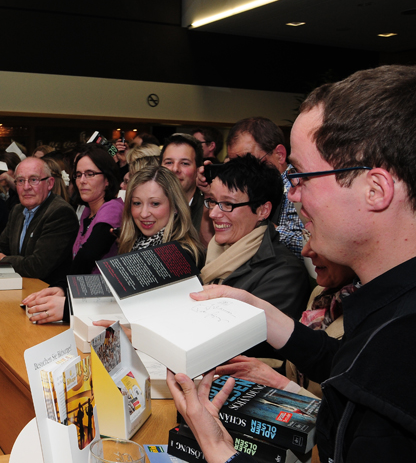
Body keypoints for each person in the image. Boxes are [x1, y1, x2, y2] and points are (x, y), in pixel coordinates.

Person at [169, 65, 416, 463]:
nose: (293, 195)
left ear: (375, 190)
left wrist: (217, 447)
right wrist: (264, 314)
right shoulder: (389, 310)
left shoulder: (399, 354)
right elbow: (344, 361)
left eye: (301, 176)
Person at [215, 238, 357, 399]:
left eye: (323, 240)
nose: (306, 251)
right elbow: (299, 372)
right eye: (308, 236)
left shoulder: (377, 320)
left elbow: (348, 415)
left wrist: (282, 386)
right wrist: (258, 368)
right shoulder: (322, 294)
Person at [199, 154, 309, 322]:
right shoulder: (209, 254)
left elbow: (246, 341)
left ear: (262, 210)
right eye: (212, 201)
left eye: (228, 204)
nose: (213, 213)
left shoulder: (284, 274)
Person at [22, 145, 123, 323]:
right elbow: (73, 261)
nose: (82, 180)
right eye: (78, 174)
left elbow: (86, 257)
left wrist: (65, 291)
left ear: (107, 179)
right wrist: (60, 288)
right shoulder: (86, 212)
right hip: (84, 298)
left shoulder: (113, 209)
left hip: (101, 307)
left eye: (90, 174)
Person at [0, 157, 78, 295]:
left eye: (33, 180)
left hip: (45, 294)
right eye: (20, 181)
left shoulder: (60, 213)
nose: (26, 187)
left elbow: (38, 266)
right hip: (18, 287)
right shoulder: (18, 210)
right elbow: (1, 244)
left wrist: (3, 260)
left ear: (50, 183)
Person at [225, 117, 305, 259]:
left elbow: (309, 247)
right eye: (236, 165)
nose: (243, 173)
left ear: (279, 155)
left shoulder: (300, 188)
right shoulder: (245, 190)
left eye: (251, 162)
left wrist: (265, 228)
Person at [117, 165, 203, 263]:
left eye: (155, 204)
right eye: (137, 203)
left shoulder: (182, 254)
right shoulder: (131, 245)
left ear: (175, 206)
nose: (144, 214)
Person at [161, 133, 205, 234]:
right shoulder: (150, 207)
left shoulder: (208, 211)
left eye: (185, 163)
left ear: (198, 170)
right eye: (169, 162)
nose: (175, 169)